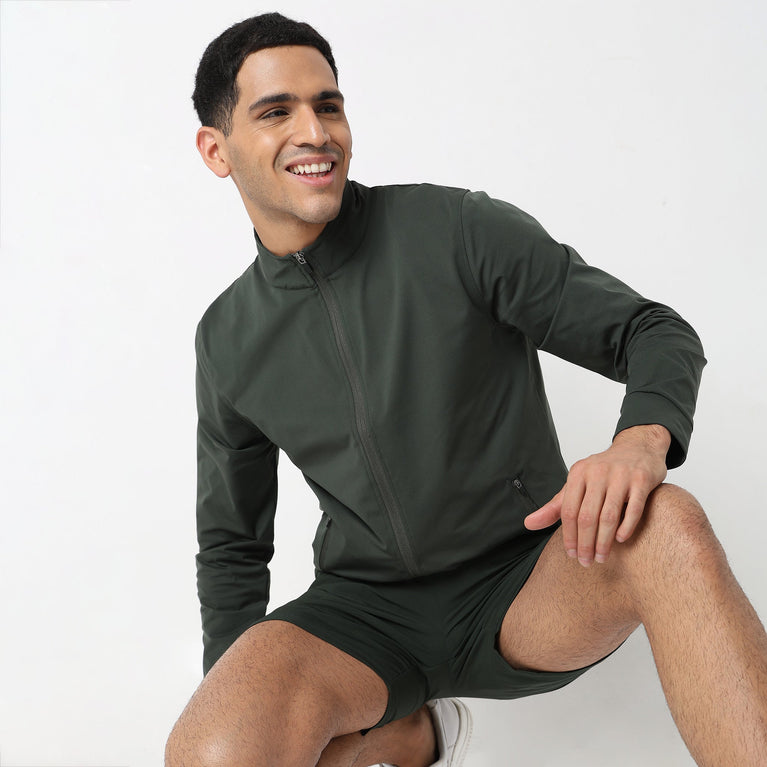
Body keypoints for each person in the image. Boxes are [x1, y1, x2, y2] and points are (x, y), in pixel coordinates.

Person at [166, 12, 767, 767]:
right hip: (364, 616)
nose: (314, 132)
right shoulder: (227, 337)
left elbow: (652, 330)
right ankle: (414, 735)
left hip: (527, 580)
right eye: (275, 112)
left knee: (668, 523)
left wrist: (640, 441)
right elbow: (232, 546)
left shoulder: (453, 229)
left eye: (328, 105)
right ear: (216, 150)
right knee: (216, 750)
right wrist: (234, 692)